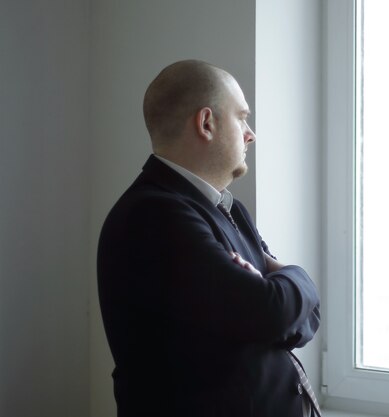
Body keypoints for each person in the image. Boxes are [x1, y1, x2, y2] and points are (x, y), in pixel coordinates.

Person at [97, 60, 321, 417]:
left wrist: (278, 291)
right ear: (206, 123)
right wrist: (297, 274)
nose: (251, 134)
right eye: (242, 117)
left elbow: (303, 322)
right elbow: (270, 313)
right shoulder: (154, 215)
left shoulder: (230, 210)